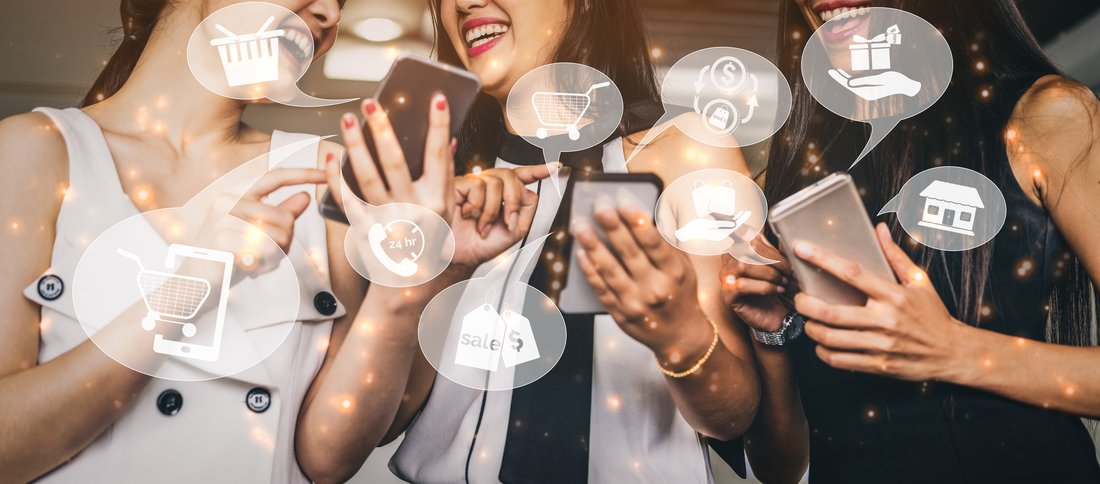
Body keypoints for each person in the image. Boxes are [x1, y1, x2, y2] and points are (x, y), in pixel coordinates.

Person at [300, 0, 764, 482]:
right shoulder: (440, 192)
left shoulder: (686, 152)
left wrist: (679, 334)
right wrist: (440, 271)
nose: (464, 3)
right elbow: (381, 424)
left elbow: (734, 417)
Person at [724, 1, 1100, 482]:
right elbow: (781, 467)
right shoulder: (793, 175)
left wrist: (955, 351)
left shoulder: (1045, 116)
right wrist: (772, 334)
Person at [0, 0, 355, 482]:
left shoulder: (325, 178)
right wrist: (189, 285)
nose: (332, 14)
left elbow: (344, 448)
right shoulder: (31, 152)